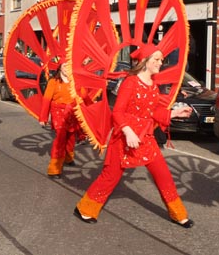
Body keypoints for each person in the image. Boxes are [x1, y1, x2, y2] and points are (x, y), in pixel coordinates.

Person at [74, 44, 194, 228]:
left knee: (163, 174)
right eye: (156, 59)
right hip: (124, 139)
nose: (160, 63)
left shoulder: (154, 87)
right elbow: (118, 112)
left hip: (146, 138)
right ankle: (85, 208)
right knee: (110, 176)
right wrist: (128, 131)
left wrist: (175, 113)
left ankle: (178, 214)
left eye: (161, 60)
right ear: (145, 61)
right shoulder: (130, 82)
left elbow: (153, 113)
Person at [39, 60, 86, 178]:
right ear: (60, 67)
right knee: (60, 138)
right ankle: (54, 169)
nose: (66, 68)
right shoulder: (53, 82)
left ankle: (68, 158)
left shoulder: (74, 81)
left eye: (69, 66)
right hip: (58, 113)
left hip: (72, 112)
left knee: (71, 137)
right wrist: (43, 118)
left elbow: (84, 96)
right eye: (64, 66)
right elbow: (46, 100)